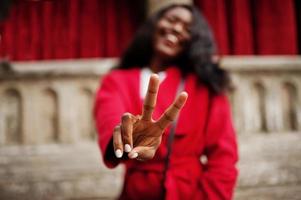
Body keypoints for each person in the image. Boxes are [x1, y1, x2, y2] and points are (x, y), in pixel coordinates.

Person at [94, 4, 238, 200]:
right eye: (171, 20)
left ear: (194, 41)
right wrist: (127, 139)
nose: (177, 28)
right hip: (137, 193)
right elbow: (109, 122)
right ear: (154, 25)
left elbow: (223, 159)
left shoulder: (205, 86)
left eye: (187, 28)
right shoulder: (116, 80)